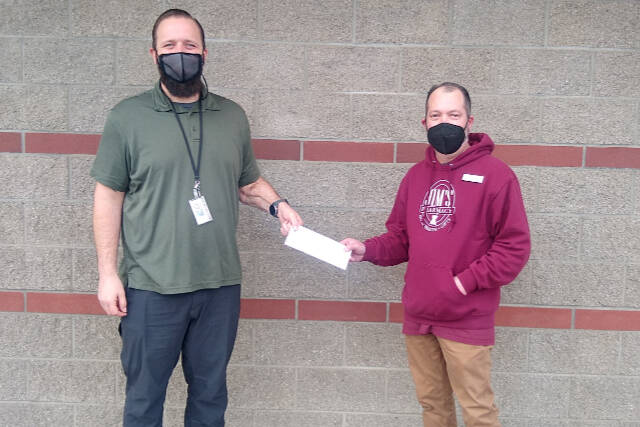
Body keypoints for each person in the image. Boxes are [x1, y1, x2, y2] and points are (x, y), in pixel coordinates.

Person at [91, 9, 302, 426]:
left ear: (204, 52)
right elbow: (108, 196)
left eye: (189, 45)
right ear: (154, 54)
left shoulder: (232, 116)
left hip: (219, 287)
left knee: (209, 400)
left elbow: (247, 183)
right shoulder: (126, 118)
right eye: (170, 46)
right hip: (151, 289)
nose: (180, 53)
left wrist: (278, 205)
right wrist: (108, 274)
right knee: (143, 402)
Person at [341, 82, 530, 427]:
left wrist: (461, 284)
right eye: (436, 115)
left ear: (469, 121)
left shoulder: (497, 176)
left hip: (466, 320)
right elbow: (401, 238)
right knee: (433, 408)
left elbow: (513, 247)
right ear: (424, 122)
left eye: (453, 115)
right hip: (419, 318)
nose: (444, 122)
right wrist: (366, 250)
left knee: (478, 412)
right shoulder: (415, 177)